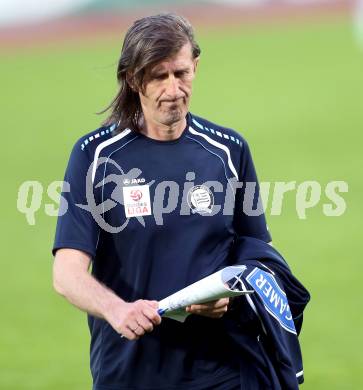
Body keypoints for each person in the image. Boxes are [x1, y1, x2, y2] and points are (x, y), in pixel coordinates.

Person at [53, 13, 308, 390]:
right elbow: (67, 273)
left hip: (222, 368)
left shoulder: (229, 150)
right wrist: (117, 309)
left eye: (181, 73)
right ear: (133, 78)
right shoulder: (95, 157)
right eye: (159, 76)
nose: (173, 89)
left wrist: (229, 300)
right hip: (130, 371)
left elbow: (258, 259)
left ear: (196, 66)